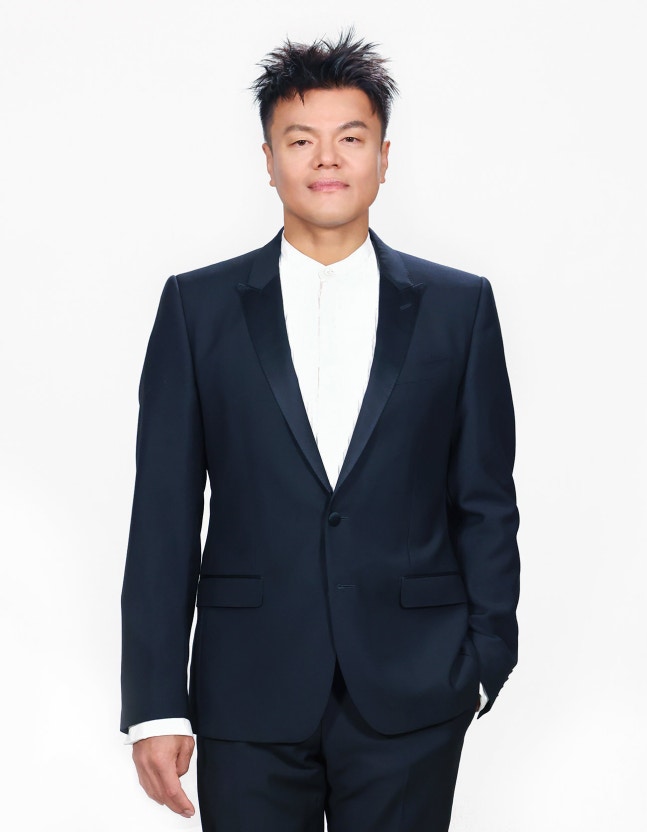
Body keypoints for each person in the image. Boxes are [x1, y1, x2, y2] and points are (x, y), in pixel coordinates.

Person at [121, 30, 520, 832]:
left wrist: (484, 661)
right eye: (300, 140)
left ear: (383, 156)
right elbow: (163, 511)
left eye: (350, 138)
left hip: (415, 690)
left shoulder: (458, 307)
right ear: (268, 159)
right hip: (245, 690)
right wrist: (155, 704)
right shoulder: (198, 309)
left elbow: (482, 498)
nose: (326, 159)